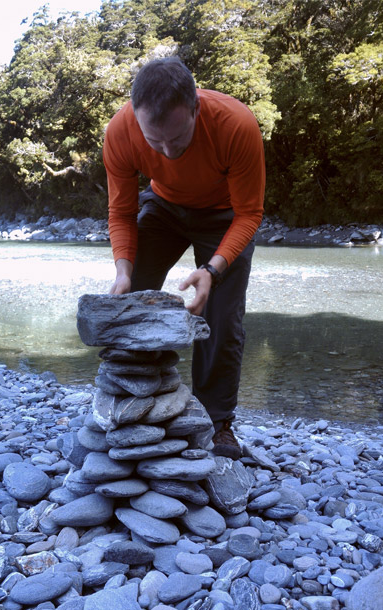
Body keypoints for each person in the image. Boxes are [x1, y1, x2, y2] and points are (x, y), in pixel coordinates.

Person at [102, 55, 263, 460]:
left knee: (221, 316)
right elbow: (120, 212)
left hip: (224, 215)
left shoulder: (235, 124)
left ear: (196, 108)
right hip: (163, 208)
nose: (168, 151)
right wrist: (123, 269)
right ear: (137, 119)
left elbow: (249, 213)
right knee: (131, 296)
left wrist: (213, 268)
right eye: (155, 142)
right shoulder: (120, 131)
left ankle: (217, 421)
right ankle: (137, 402)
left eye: (178, 138)